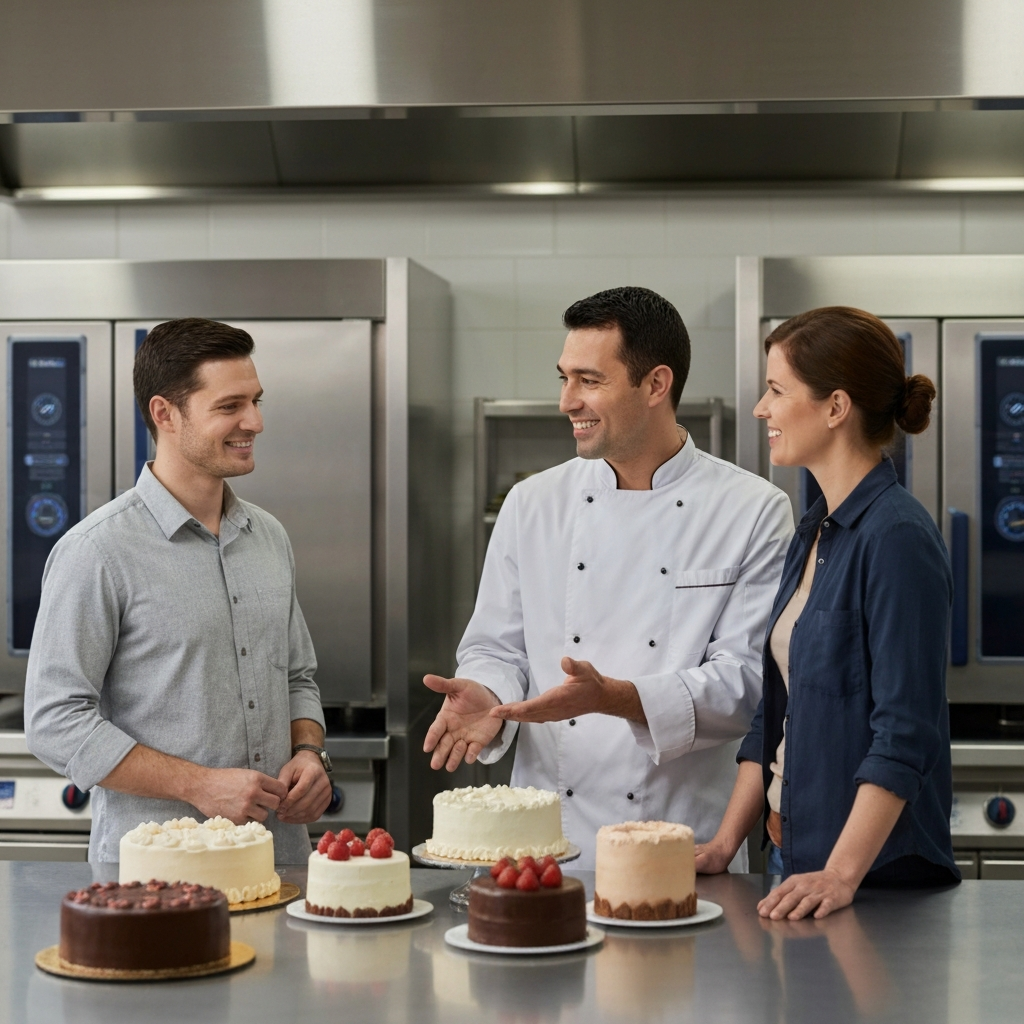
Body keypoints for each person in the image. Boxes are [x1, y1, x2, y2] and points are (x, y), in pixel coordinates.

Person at [422, 286, 793, 869]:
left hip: (679, 846)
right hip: (542, 849)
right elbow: (498, 646)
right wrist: (488, 691)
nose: (568, 400)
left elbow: (747, 686)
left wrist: (615, 698)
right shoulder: (532, 503)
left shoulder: (752, 509)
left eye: (589, 380)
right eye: (564, 378)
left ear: (655, 385)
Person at [25, 318, 332, 864]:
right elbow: (54, 721)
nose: (255, 422)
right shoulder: (97, 552)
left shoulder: (269, 537)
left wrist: (309, 752)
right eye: (230, 406)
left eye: (257, 401)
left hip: (277, 862)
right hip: (155, 877)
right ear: (165, 413)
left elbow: (297, 676)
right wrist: (197, 784)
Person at [695, 306, 960, 919]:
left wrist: (841, 875)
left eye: (777, 390)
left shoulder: (896, 537)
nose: (762, 408)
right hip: (798, 863)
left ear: (836, 407)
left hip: (873, 879)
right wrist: (724, 845)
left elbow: (906, 732)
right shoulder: (815, 529)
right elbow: (774, 712)